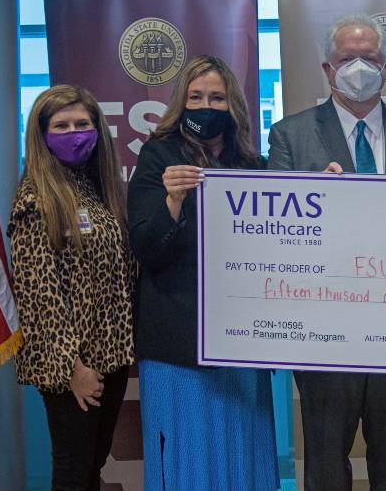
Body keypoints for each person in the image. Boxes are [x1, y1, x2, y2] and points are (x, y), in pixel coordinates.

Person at [268, 14, 386, 490]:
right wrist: (311, 199)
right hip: (324, 330)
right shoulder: (289, 135)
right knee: (324, 462)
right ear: (328, 69)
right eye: (348, 58)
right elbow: (275, 233)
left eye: (369, 58)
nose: (359, 67)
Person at [127, 55, 279, 491]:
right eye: (195, 97)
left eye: (216, 97)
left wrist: (326, 187)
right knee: (188, 462)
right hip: (179, 343)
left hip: (242, 341)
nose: (206, 105)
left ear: (232, 104)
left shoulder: (251, 163)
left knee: (241, 456)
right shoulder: (159, 156)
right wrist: (171, 202)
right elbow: (146, 247)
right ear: (181, 102)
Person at [8, 85, 134, 491]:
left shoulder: (95, 188)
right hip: (73, 367)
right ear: (42, 136)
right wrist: (72, 370)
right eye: (61, 125)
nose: (74, 132)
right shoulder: (35, 201)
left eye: (83, 123)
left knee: (90, 467)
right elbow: (38, 298)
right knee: (73, 471)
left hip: (110, 356)